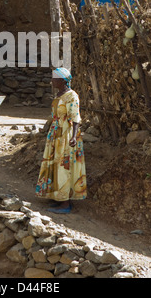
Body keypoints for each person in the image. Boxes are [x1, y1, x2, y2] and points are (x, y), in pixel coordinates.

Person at [35, 67, 87, 213]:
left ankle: (65, 203)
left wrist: (74, 137)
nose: (52, 81)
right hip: (56, 135)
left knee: (64, 166)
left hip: (66, 135)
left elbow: (75, 117)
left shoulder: (72, 96)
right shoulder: (59, 95)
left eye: (54, 78)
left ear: (63, 80)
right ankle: (57, 197)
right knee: (55, 164)